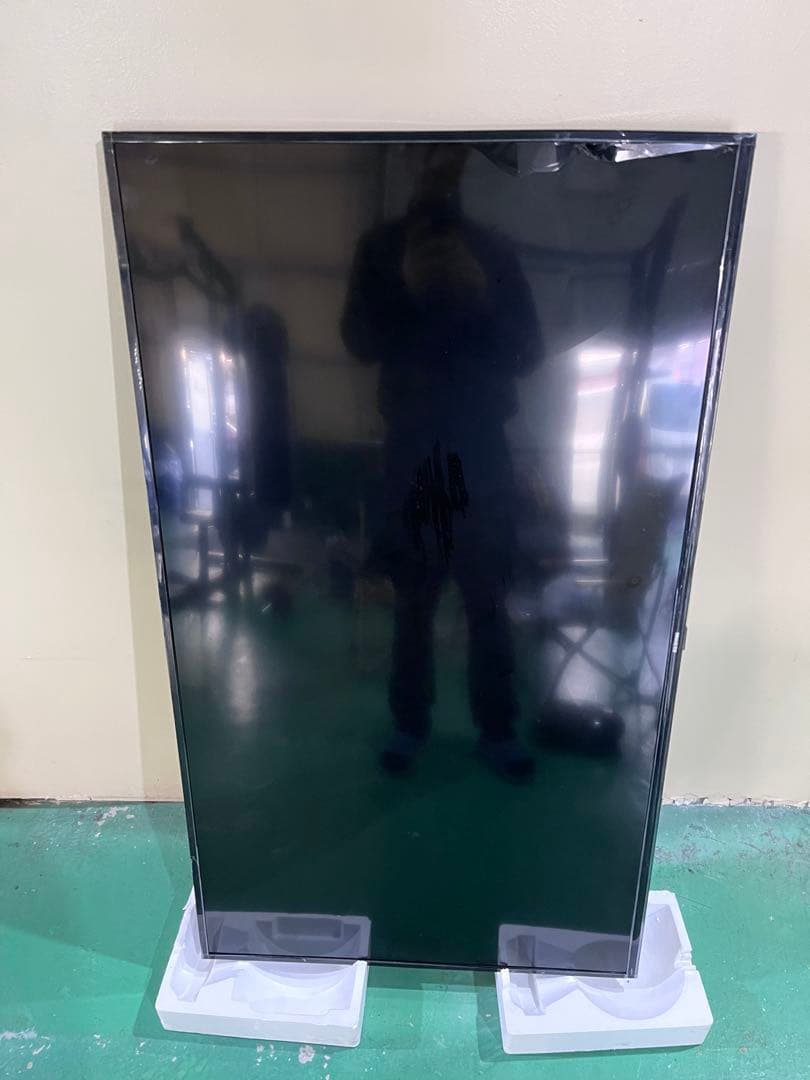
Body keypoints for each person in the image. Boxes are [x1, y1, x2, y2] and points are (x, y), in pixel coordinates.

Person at [341, 145, 541, 779]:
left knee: (488, 603)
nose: (434, 161)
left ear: (463, 161)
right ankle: (409, 725)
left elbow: (528, 350)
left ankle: (497, 729)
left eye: (446, 151)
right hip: (415, 449)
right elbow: (358, 340)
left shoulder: (495, 252)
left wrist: (479, 296)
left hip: (479, 448)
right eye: (423, 150)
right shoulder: (380, 249)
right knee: (414, 602)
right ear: (407, 157)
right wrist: (405, 293)